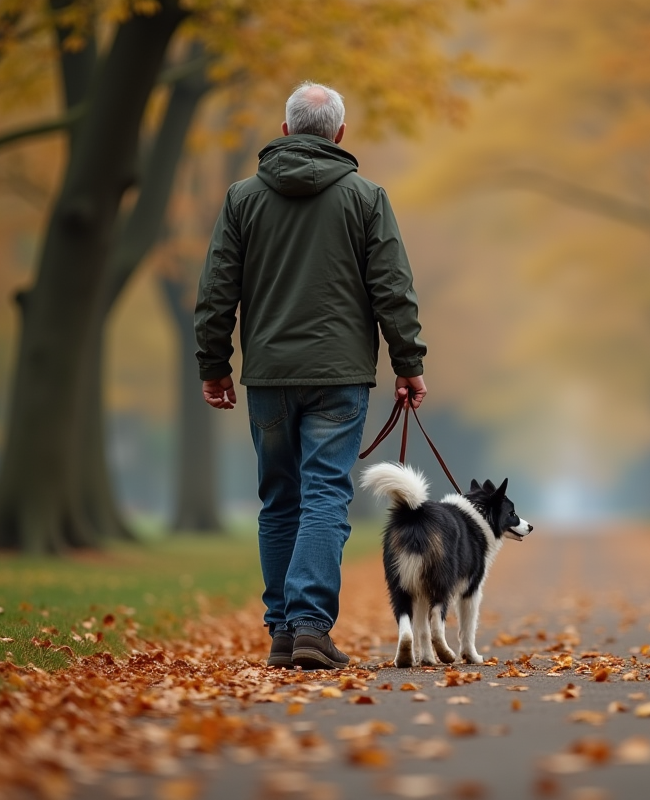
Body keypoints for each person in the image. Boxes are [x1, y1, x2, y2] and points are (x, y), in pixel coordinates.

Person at [194, 81, 427, 670]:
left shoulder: (241, 199)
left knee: (278, 499)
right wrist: (408, 363)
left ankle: (282, 631)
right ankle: (308, 627)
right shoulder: (365, 197)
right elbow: (392, 289)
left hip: (268, 376)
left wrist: (214, 364)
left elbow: (217, 289)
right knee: (325, 492)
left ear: (285, 131)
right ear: (339, 135)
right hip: (339, 375)